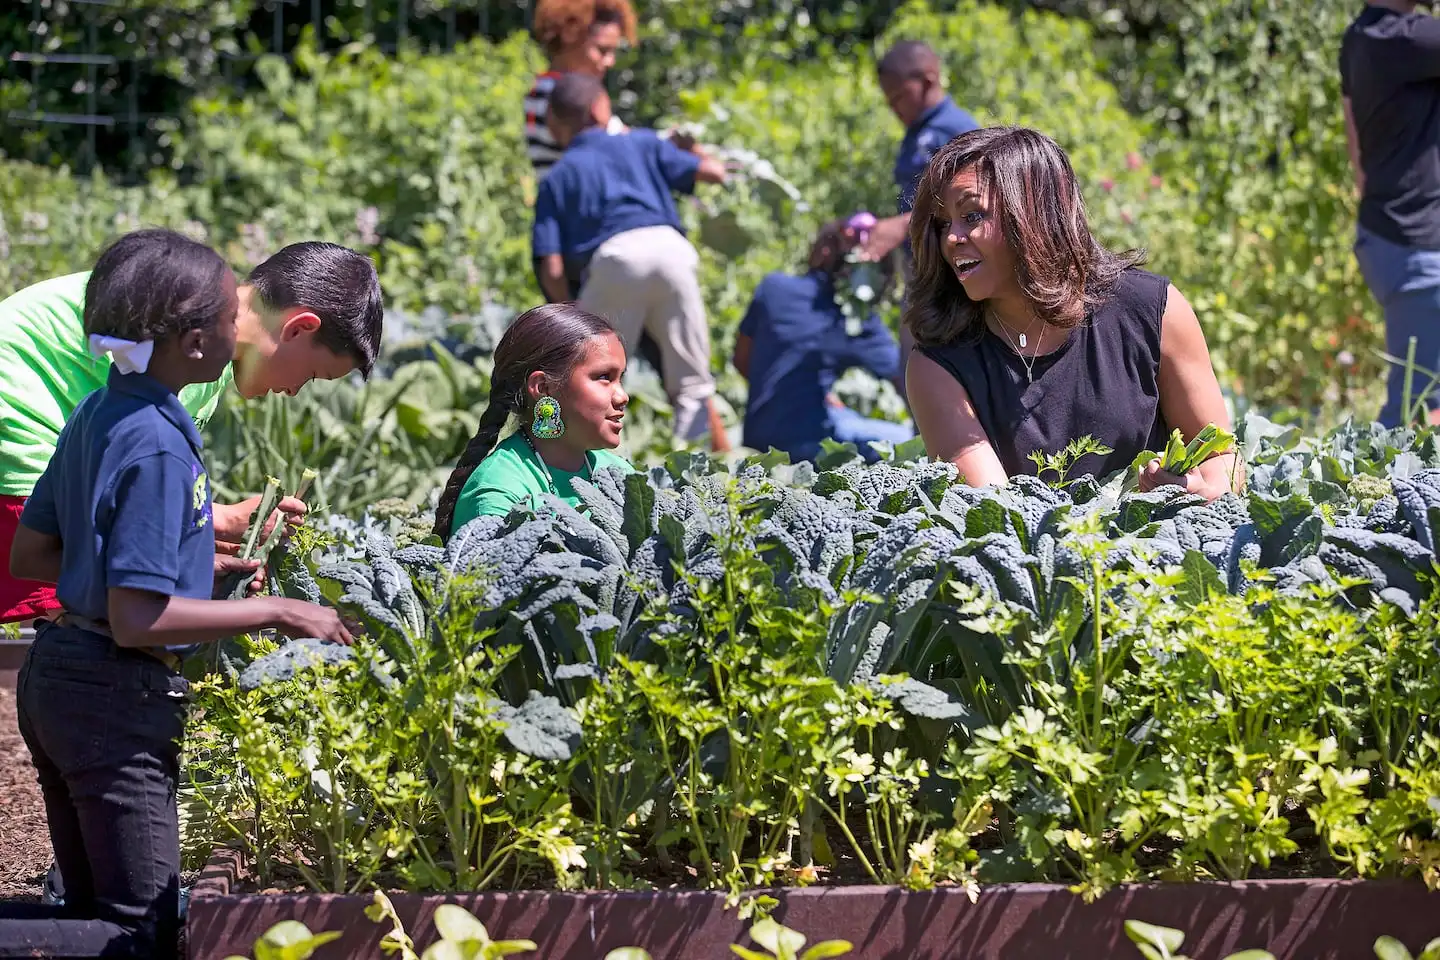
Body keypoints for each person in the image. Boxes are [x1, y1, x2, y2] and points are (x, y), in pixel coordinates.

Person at [0, 229, 355, 959]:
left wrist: (189, 565)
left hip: (55, 677)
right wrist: (280, 609)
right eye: (231, 321)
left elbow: (32, 554)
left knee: (88, 907)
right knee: (138, 933)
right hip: (108, 695)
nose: (242, 331)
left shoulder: (93, 414)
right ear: (193, 343)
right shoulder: (162, 439)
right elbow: (137, 620)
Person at [0, 239, 385, 624]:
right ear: (299, 328)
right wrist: (220, 521)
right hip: (21, 430)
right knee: (93, 612)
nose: (295, 390)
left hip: (51, 466)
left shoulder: (202, 359)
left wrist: (201, 547)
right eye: (313, 374)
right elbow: (136, 488)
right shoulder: (178, 335)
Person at [902, 126, 1242, 500]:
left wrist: (1196, 490)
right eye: (943, 222)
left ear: (1034, 213)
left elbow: (1222, 457)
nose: (951, 238)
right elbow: (1000, 516)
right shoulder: (938, 364)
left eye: (971, 215)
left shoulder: (1154, 311)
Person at [532, 72, 731, 450]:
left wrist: (571, 316)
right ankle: (706, 479)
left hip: (615, 261)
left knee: (585, 374)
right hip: (673, 253)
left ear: (557, 125)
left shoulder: (558, 176)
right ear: (601, 107)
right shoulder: (642, 142)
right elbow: (713, 172)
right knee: (691, 380)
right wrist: (695, 148)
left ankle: (577, 467)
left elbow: (552, 268)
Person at [433, 303, 633, 539]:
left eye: (620, 378)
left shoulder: (621, 475)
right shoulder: (498, 493)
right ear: (543, 388)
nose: (623, 396)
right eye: (603, 377)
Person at [854, 41, 980, 395]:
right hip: (921, 275)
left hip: (955, 279)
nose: (893, 107)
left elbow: (975, 209)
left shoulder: (956, 130)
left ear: (927, 79)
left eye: (898, 96)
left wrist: (903, 226)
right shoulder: (915, 135)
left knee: (944, 383)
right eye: (888, 99)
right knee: (915, 378)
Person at [734, 219, 913, 463]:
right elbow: (907, 382)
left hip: (757, 434)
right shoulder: (853, 320)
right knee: (907, 442)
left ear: (821, 251)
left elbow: (742, 361)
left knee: (845, 416)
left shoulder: (772, 287)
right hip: (801, 446)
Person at [1341, 0, 1440, 427]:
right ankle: (1384, 490)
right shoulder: (1411, 38)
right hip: (1416, 245)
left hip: (1388, 233)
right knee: (1416, 410)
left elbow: (1355, 148)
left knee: (1419, 400)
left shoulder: (1360, 37)